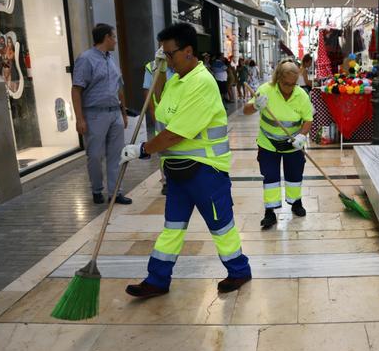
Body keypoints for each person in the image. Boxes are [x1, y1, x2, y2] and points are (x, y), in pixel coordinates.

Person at [120, 23, 252, 297]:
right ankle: (157, 279)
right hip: (178, 173)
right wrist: (156, 73)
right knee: (172, 228)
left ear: (189, 51)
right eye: (164, 55)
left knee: (221, 227)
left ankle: (239, 271)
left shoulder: (201, 83)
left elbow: (174, 134)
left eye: (170, 54)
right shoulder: (176, 80)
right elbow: (158, 110)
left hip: (206, 172)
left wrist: (142, 149)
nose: (167, 60)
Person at [243, 59, 313, 229]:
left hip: (293, 143)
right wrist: (256, 106)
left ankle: (296, 203)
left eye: (293, 84)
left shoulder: (301, 94)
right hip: (268, 144)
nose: (290, 88)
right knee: (271, 178)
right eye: (286, 84)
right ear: (278, 79)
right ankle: (270, 212)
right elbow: (246, 111)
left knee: (295, 176)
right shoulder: (266, 90)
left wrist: (302, 136)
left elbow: (308, 119)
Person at [71, 23, 131, 205]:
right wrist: (79, 118)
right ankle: (97, 189)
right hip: (95, 114)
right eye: (114, 37)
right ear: (106, 37)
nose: (116, 41)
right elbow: (76, 90)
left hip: (115, 114)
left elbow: (119, 88)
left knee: (117, 155)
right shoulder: (86, 59)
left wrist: (124, 113)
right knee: (95, 155)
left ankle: (115, 192)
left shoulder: (111, 59)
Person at [143, 40, 176, 195]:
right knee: (162, 149)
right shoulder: (152, 66)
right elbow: (148, 93)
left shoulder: (178, 65)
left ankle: (179, 177)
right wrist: (153, 112)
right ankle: (166, 181)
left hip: (177, 112)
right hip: (161, 113)